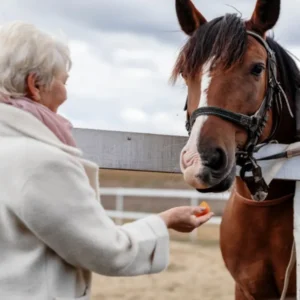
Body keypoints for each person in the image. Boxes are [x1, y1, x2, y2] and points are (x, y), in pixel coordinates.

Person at [0, 21, 214, 300]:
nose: (66, 94)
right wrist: (166, 220)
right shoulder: (41, 162)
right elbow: (108, 251)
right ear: (35, 85)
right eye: (63, 82)